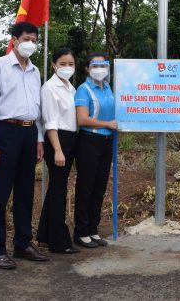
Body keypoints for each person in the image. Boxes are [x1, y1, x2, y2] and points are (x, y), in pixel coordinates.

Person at [0, 21, 48, 269]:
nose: (30, 44)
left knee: (26, 191)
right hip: (6, 132)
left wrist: (39, 138)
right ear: (14, 40)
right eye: (26, 39)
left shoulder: (35, 71)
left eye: (34, 40)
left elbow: (37, 109)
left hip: (29, 134)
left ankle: (22, 243)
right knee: (1, 193)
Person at [36, 47, 79, 254]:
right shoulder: (49, 88)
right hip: (57, 139)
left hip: (70, 138)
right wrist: (58, 150)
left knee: (56, 188)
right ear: (54, 65)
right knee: (59, 191)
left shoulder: (71, 88)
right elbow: (49, 122)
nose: (67, 67)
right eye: (63, 63)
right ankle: (59, 241)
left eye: (71, 64)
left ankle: (45, 235)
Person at [73, 52, 117, 248]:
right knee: (86, 187)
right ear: (87, 68)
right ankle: (81, 231)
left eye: (103, 65)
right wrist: (107, 123)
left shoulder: (108, 87)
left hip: (106, 141)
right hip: (89, 141)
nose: (100, 69)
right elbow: (82, 119)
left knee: (99, 188)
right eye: (95, 65)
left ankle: (93, 229)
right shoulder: (83, 89)